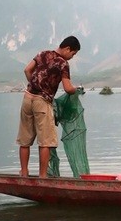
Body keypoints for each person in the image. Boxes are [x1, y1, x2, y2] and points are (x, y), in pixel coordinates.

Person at [16, 36, 81, 178]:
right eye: (73, 54)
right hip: (42, 102)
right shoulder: (62, 63)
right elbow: (68, 88)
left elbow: (27, 70)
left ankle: (24, 173)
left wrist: (35, 84)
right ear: (67, 49)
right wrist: (77, 89)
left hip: (27, 98)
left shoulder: (43, 54)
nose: (71, 57)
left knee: (25, 140)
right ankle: (43, 176)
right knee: (45, 141)